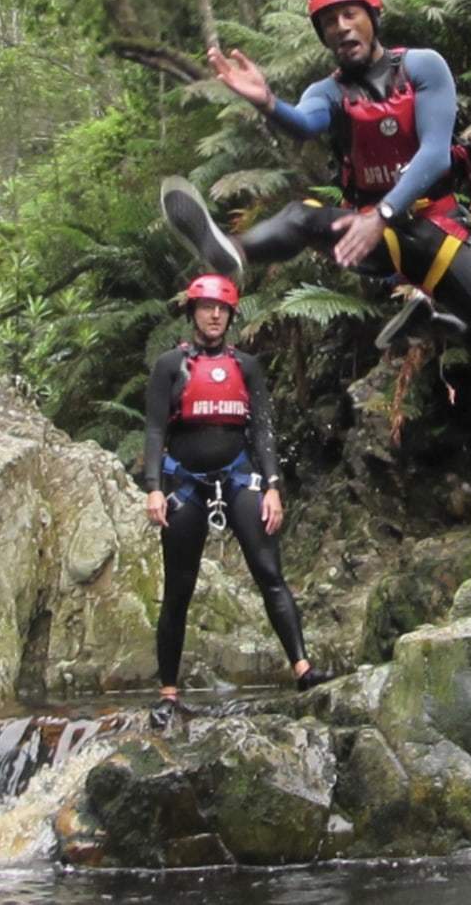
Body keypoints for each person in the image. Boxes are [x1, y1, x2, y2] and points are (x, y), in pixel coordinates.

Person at [161, 0, 471, 369]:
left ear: (373, 17)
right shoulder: (327, 92)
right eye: (328, 22)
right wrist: (267, 102)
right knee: (300, 217)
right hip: (367, 235)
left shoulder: (422, 68)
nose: (340, 28)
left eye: (349, 15)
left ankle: (437, 324)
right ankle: (231, 250)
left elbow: (434, 154)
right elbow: (305, 124)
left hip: (434, 230)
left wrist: (384, 214)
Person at [143, 273, 328, 729]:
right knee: (178, 590)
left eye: (221, 309)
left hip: (240, 479)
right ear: (192, 313)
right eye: (206, 308)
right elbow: (154, 430)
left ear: (230, 316)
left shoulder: (247, 367)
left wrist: (272, 487)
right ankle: (169, 692)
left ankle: (302, 668)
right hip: (184, 484)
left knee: (269, 573)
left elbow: (262, 429)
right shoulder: (170, 365)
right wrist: (152, 487)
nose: (213, 316)